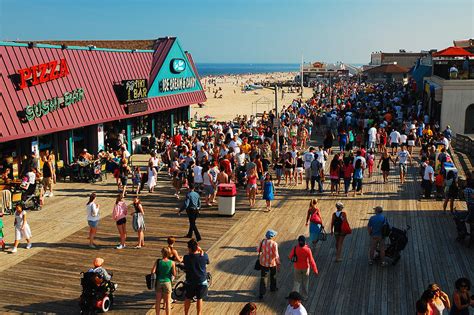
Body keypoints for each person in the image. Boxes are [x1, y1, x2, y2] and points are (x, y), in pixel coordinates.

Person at [183, 239, 210, 315]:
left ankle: (186, 313)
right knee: (199, 298)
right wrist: (201, 251)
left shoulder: (186, 258)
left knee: (188, 298)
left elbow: (185, 261)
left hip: (190, 281)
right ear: (197, 247)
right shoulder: (204, 256)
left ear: (190, 248)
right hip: (201, 281)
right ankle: (199, 313)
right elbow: (207, 262)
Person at [288, 235, 318, 301]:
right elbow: (311, 260)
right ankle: (304, 297)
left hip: (297, 267)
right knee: (305, 283)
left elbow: (290, 256)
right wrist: (315, 270)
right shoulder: (307, 250)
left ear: (298, 242)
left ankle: (295, 297)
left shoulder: (295, 248)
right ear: (305, 242)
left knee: (297, 283)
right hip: (306, 268)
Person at [151, 247, 176, 315]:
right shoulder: (172, 262)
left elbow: (152, 271)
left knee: (158, 301)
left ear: (162, 253)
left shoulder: (158, 261)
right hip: (167, 282)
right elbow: (174, 274)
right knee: (167, 301)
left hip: (159, 282)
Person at [257, 229, 280, 299]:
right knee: (273, 276)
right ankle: (273, 288)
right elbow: (276, 255)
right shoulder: (274, 244)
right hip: (272, 263)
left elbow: (258, 250)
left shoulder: (262, 242)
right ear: (272, 236)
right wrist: (278, 263)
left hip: (263, 262)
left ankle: (261, 293)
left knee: (263, 278)